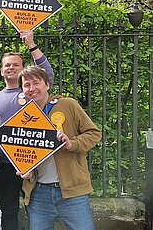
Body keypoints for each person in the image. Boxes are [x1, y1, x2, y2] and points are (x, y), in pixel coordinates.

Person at [0, 29, 54, 230]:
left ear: (23, 69)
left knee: (35, 208)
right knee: (9, 210)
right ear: (1, 70)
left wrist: (32, 45)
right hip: (3, 164)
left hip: (34, 161)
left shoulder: (34, 92)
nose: (11, 68)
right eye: (7, 65)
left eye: (16, 65)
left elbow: (47, 73)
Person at [17, 66, 101, 230]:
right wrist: (26, 170)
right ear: (22, 89)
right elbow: (23, 153)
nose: (32, 88)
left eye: (36, 83)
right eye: (27, 85)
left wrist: (72, 144)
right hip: (38, 193)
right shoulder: (22, 117)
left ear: (47, 84)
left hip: (72, 192)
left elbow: (94, 133)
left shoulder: (67, 104)